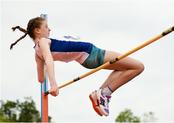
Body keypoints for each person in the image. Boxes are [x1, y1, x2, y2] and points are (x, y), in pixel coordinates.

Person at [10, 17, 144, 117]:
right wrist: (54, 84)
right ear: (37, 30)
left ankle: (101, 93)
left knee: (123, 68)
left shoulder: (37, 53)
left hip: (87, 59)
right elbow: (50, 61)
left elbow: (40, 78)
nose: (49, 29)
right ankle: (103, 93)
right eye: (46, 26)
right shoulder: (43, 42)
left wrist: (44, 66)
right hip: (92, 53)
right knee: (138, 67)